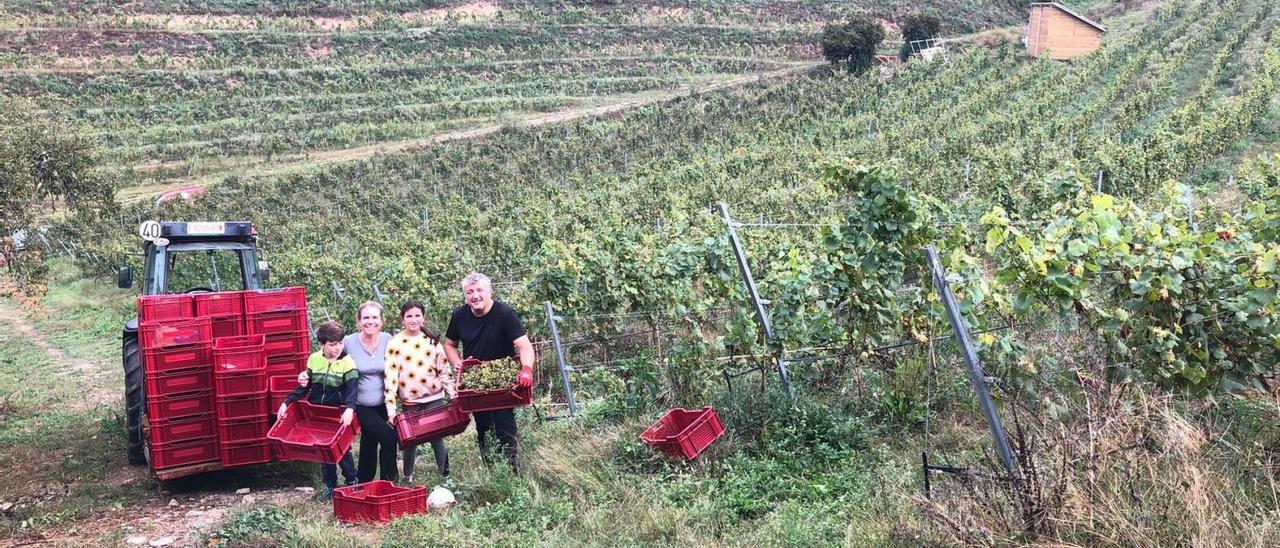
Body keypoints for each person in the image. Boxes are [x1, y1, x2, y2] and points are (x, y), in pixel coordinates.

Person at [443, 272, 535, 471]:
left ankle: (512, 473)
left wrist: (526, 369)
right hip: (475, 382)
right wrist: (457, 362)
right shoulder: (459, 315)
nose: (475, 296)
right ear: (465, 296)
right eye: (469, 292)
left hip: (502, 383)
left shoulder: (505, 314)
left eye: (479, 290)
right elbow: (450, 344)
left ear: (489, 291)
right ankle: (492, 473)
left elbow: (525, 346)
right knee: (483, 428)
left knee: (504, 425)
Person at [278, 320, 358, 501]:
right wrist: (287, 402)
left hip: (338, 414)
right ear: (321, 344)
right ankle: (330, 485)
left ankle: (352, 480)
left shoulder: (347, 363)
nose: (337, 348)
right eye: (332, 344)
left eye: (340, 343)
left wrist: (350, 409)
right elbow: (305, 387)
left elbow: (353, 390)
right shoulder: (314, 359)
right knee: (323, 450)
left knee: (343, 450)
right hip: (318, 414)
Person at [385, 299, 455, 484]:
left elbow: (444, 371)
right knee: (410, 440)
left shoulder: (432, 342)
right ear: (402, 319)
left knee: (437, 438)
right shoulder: (395, 343)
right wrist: (391, 408)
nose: (413, 319)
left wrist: (453, 394)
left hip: (434, 398)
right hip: (410, 401)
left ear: (423, 318)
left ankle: (446, 475)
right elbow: (390, 376)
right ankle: (408, 477)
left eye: (417, 315)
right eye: (409, 316)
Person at [346, 301, 398, 483]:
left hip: (384, 402)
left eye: (375, 317)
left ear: (382, 321)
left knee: (369, 441)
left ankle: (365, 482)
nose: (370, 321)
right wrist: (307, 374)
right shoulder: (349, 342)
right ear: (359, 322)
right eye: (366, 318)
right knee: (388, 437)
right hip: (361, 404)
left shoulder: (388, 339)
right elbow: (329, 358)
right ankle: (388, 480)